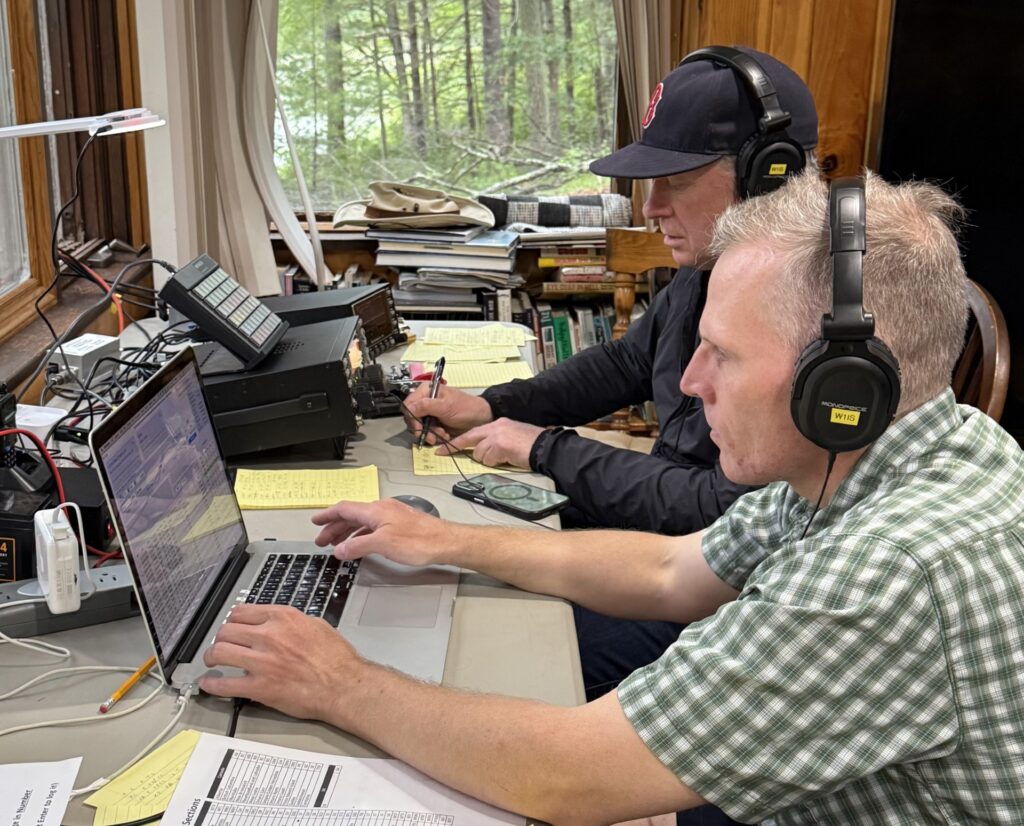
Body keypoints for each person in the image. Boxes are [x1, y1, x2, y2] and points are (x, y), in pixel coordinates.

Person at [201, 170, 1024, 824]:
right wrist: (446, 541)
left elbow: (568, 776)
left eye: (724, 356)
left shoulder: (888, 569)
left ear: (842, 384)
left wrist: (339, 682)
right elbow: (672, 572)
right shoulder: (895, 456)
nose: (692, 384)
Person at [409, 47, 821, 704]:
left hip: (716, 589)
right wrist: (491, 407)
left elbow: (719, 511)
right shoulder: (707, 272)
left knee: (491, 653)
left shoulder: (810, 323)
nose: (650, 206)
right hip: (665, 545)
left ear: (769, 176)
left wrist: (544, 448)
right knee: (465, 566)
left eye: (675, 181)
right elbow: (628, 364)